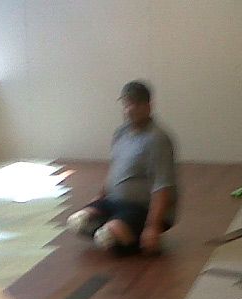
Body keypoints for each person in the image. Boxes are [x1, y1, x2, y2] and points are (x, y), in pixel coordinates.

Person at [66, 80, 177, 254]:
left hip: (140, 207)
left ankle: (138, 235)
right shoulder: (121, 133)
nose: (129, 109)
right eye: (127, 104)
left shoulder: (158, 140)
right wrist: (99, 199)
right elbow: (115, 170)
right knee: (77, 222)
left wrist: (153, 226)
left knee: (106, 238)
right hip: (114, 201)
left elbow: (162, 186)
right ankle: (121, 230)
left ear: (148, 106)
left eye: (135, 104)